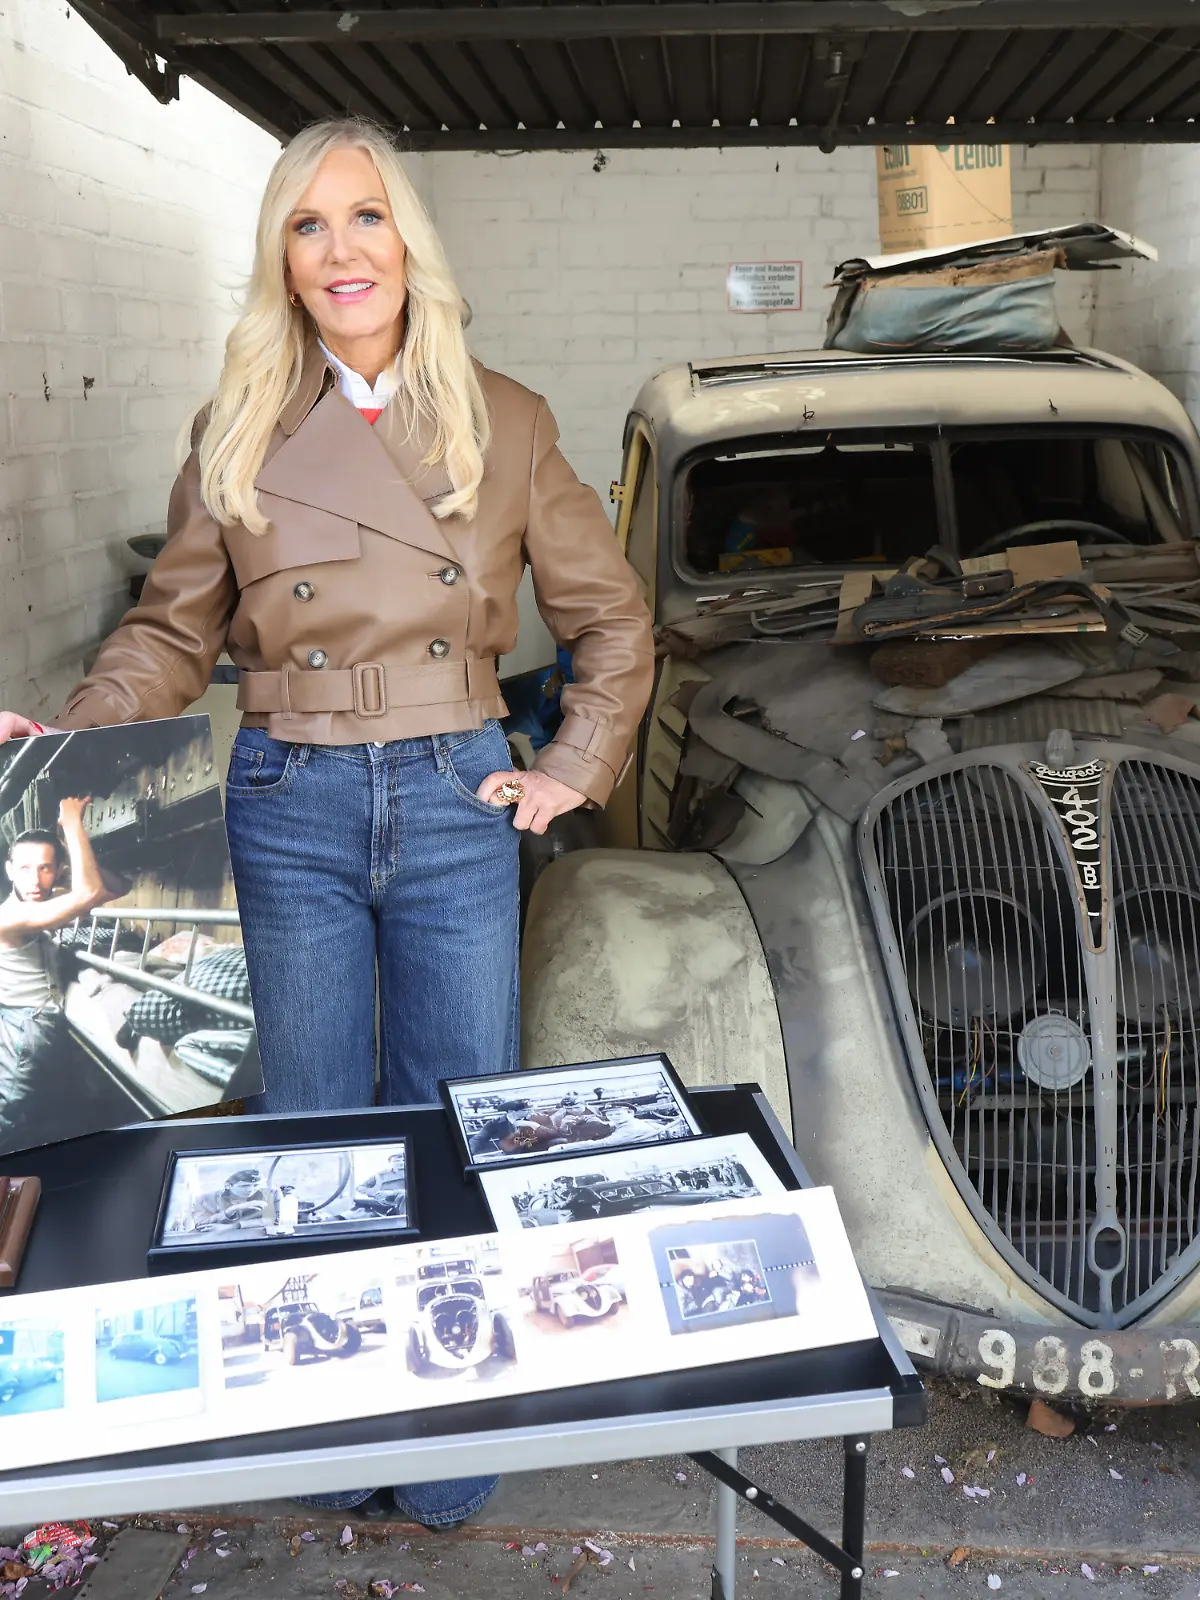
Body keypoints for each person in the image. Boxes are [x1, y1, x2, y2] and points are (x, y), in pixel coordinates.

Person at [0, 116, 653, 1528]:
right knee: (308, 1138)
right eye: (309, 226)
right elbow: (170, 632)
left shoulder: (506, 416)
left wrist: (570, 767)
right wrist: (76, 732)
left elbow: (613, 623)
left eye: (367, 219)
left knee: (452, 1109)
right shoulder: (235, 425)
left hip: (452, 791)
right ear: (280, 261)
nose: (342, 251)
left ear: (408, 241)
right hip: (288, 792)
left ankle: (447, 1452)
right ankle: (335, 1429)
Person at [0, 800, 120, 1147]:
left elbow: (117, 887)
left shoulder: (42, 905)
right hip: (24, 1027)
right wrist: (71, 822)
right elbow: (91, 893)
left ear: (59, 871)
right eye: (24, 869)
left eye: (45, 869)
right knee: (9, 1119)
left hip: (44, 1025)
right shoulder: (9, 917)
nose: (34, 881)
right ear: (9, 870)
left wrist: (73, 850)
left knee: (41, 1118)